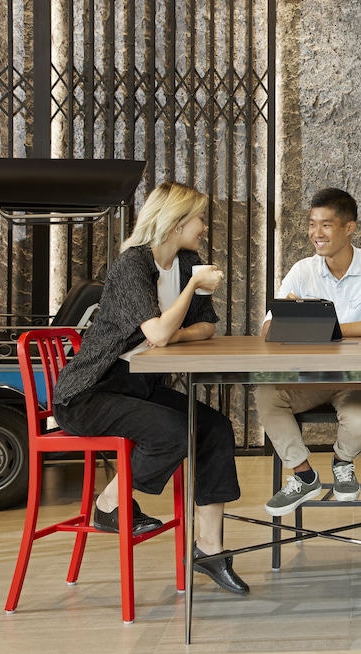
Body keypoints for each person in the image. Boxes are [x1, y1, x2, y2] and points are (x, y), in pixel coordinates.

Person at [53, 181, 249, 595]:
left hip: (138, 386)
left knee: (214, 428)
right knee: (176, 432)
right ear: (176, 221)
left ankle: (208, 551)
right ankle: (108, 504)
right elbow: (158, 332)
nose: (202, 228)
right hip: (91, 392)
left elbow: (206, 328)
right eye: (198, 219)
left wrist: (176, 330)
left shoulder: (186, 262)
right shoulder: (132, 266)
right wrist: (190, 292)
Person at [256, 188, 361, 517]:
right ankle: (303, 474)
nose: (315, 233)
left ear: (349, 228)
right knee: (267, 393)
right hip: (308, 380)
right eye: (312, 224)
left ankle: (342, 462)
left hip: (359, 379)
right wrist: (291, 318)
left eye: (326, 225)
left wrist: (325, 329)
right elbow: (268, 331)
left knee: (357, 420)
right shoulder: (303, 270)